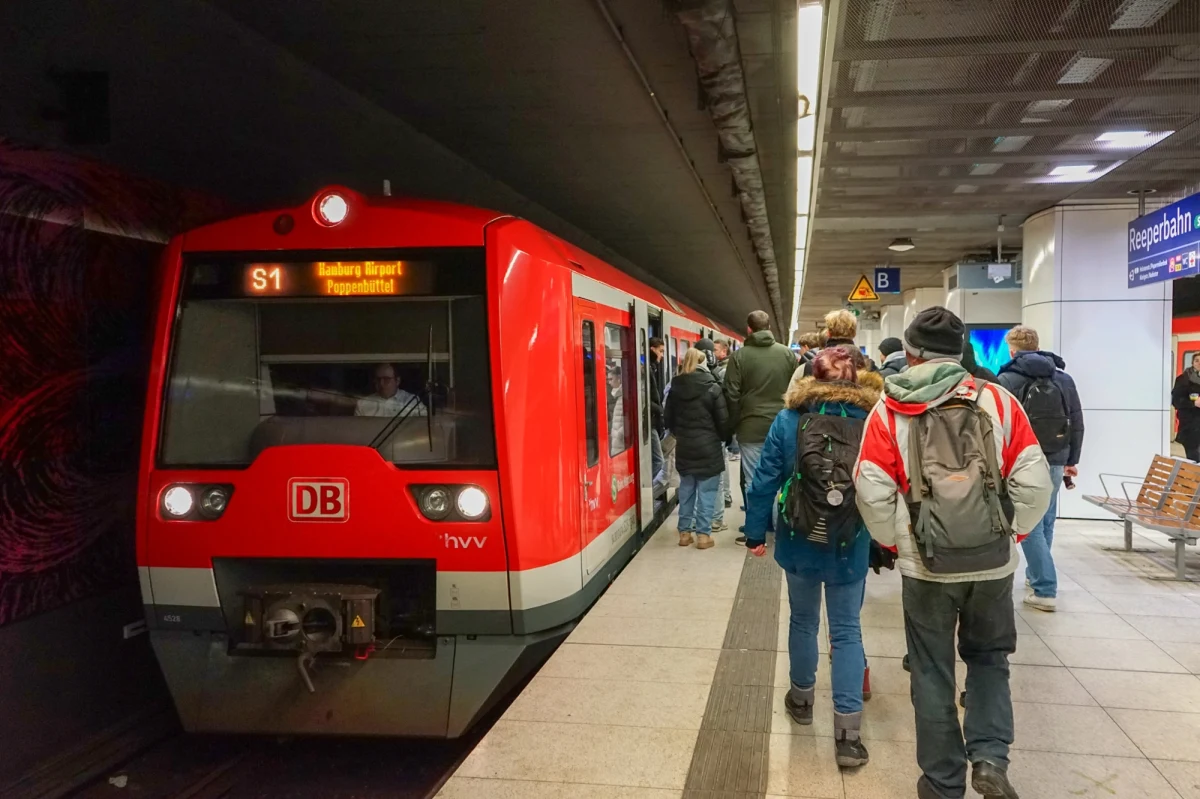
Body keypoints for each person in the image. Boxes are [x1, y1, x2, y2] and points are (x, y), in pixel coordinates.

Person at [854, 307, 1052, 799]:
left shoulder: (888, 409)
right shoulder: (1000, 402)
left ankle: (942, 782)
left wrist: (897, 542)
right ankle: (989, 757)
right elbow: (1034, 483)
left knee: (931, 668)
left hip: (926, 565)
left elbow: (871, 490)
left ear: (912, 353)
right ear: (961, 353)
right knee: (989, 659)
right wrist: (1012, 535)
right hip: (992, 562)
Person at [745, 348, 881, 768]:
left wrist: (754, 533)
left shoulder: (789, 420)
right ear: (858, 380)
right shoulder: (872, 420)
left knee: (803, 621)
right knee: (846, 632)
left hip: (798, 535)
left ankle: (801, 701)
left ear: (809, 376)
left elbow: (765, 478)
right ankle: (847, 736)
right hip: (850, 539)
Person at [997, 326, 1084, 613]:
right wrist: (1073, 458)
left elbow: (1000, 424)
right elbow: (1076, 420)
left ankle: (1045, 586)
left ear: (1012, 349)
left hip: (1023, 458)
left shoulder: (1007, 378)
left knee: (1027, 522)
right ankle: (1037, 579)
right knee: (1045, 519)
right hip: (1057, 455)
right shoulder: (1063, 378)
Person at [724, 310, 799, 543]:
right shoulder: (787, 354)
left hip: (751, 427)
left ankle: (756, 530)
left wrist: (736, 422)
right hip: (783, 426)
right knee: (782, 477)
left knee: (754, 480)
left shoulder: (739, 357)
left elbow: (731, 393)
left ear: (749, 329)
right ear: (769, 328)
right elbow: (796, 390)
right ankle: (781, 529)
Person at [664, 348, 728, 550]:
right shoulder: (713, 388)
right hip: (709, 447)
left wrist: (680, 433)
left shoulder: (675, 388)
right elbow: (723, 421)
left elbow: (668, 420)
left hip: (685, 447)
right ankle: (703, 536)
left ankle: (684, 534)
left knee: (686, 491)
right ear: (704, 364)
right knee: (707, 492)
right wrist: (722, 437)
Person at [696, 339, 731, 531]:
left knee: (691, 483)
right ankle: (715, 519)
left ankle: (691, 523)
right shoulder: (715, 384)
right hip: (713, 438)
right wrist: (725, 435)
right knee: (714, 480)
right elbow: (722, 415)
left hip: (690, 441)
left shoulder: (678, 382)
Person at [355, 364, 427, 417]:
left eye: (386, 379)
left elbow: (423, 425)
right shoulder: (362, 404)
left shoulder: (412, 401)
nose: (381, 383)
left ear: (397, 381)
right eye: (378, 379)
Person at [1173, 352, 1200, 462]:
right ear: (1192, 363)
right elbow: (1176, 401)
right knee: (1194, 459)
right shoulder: (1183, 379)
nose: (1199, 363)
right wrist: (1194, 404)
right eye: (1197, 360)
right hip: (1190, 427)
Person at [648, 337, 667, 485]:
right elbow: (646, 397)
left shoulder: (650, 367)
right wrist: (661, 410)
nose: (662, 355)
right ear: (652, 349)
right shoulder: (646, 368)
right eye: (660, 351)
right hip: (650, 422)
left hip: (652, 420)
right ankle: (648, 486)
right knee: (659, 460)